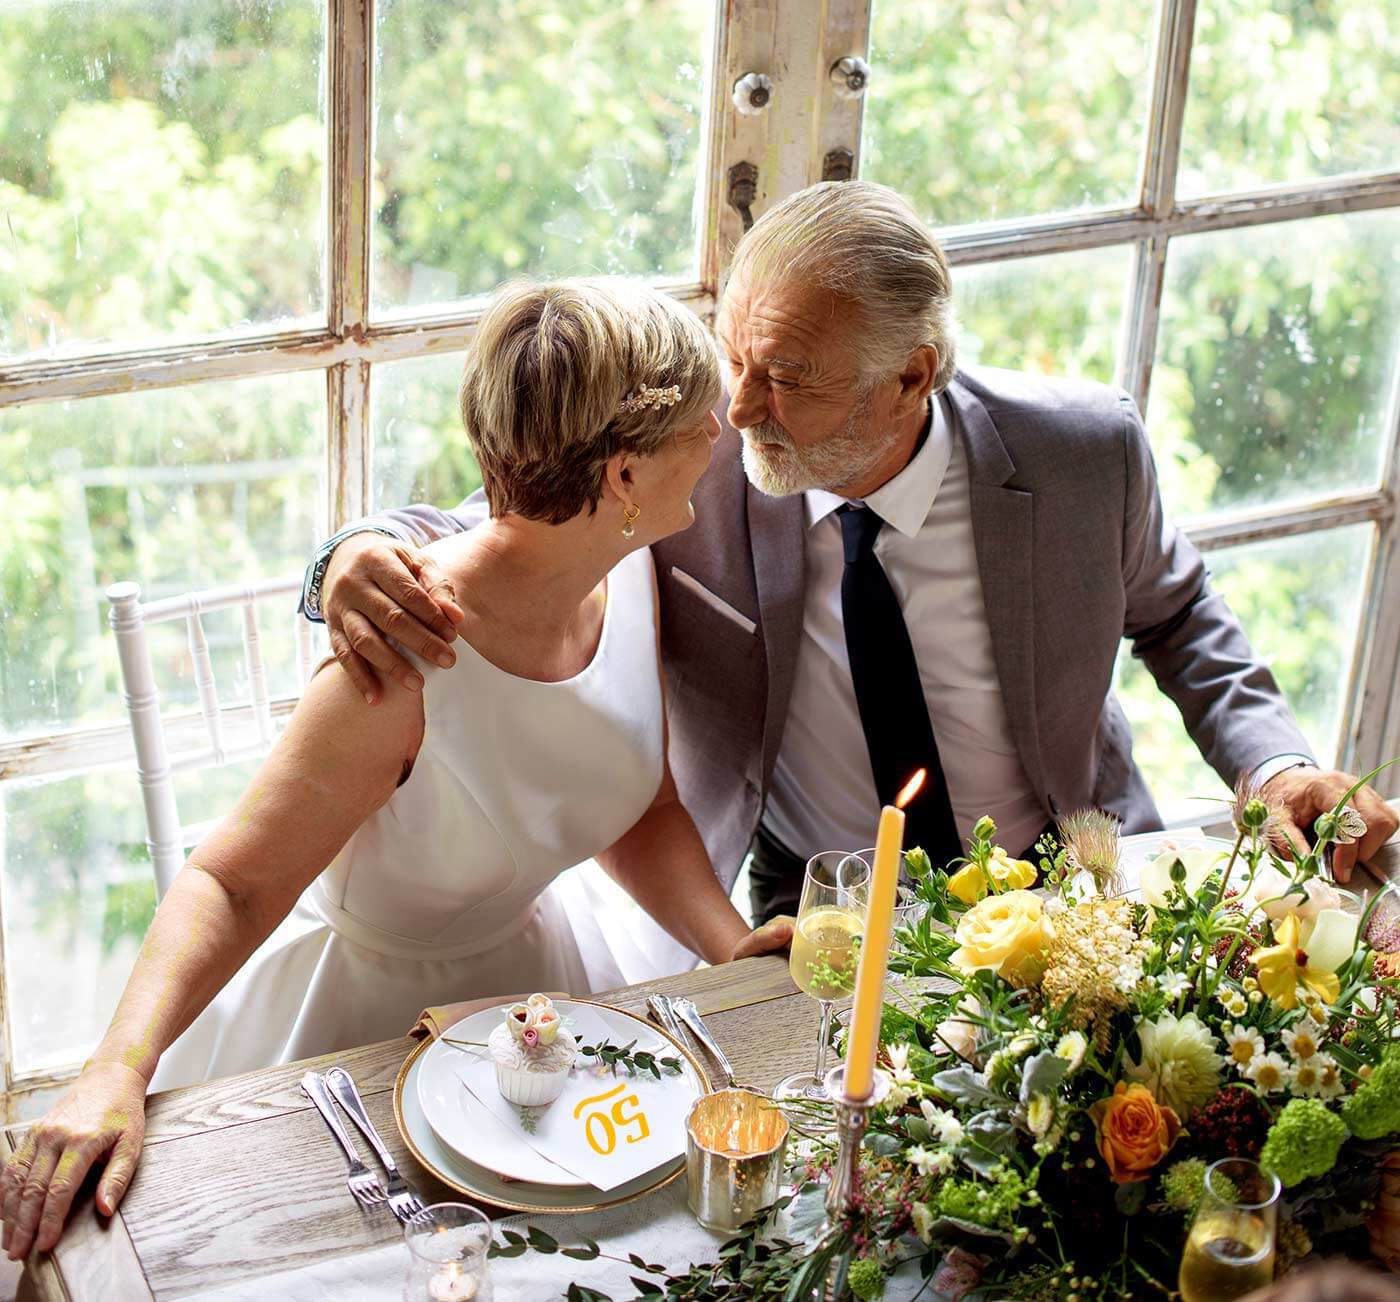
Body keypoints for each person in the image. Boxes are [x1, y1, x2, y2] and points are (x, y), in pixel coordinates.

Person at [299, 180, 1397, 926]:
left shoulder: (1080, 452)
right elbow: (517, 513)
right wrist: (354, 551)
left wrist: (1277, 766)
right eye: (733, 356)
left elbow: (1177, 613)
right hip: (812, 913)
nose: (736, 406)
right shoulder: (693, 472)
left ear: (912, 375)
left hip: (1074, 887)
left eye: (785, 375)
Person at [0, 278, 790, 1264]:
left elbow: (638, 806)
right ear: (623, 476)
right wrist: (111, 1071)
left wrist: (736, 953)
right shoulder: (400, 660)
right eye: (695, 422)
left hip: (541, 1001)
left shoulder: (619, 568)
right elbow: (231, 882)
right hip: (356, 1042)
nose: (720, 429)